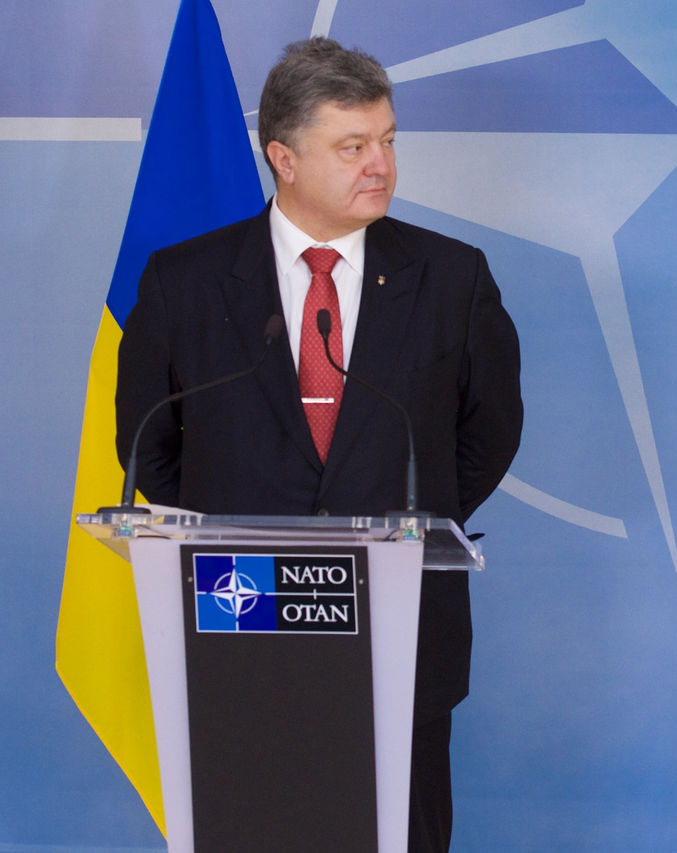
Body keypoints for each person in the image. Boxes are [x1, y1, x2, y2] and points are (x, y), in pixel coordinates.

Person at [115, 37, 522, 852]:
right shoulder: (184, 281)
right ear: (283, 157)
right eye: (353, 146)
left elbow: (489, 430)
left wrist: (406, 519)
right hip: (240, 631)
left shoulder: (452, 278)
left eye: (388, 140)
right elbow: (149, 442)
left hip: (403, 634)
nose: (380, 164)